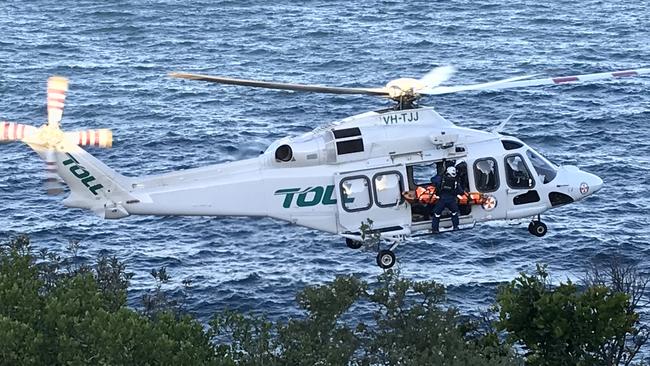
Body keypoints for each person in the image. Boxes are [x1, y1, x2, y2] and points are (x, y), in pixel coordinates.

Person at [430, 166, 465, 232]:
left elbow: (432, 179)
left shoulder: (441, 178)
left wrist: (440, 176)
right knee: (454, 213)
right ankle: (455, 227)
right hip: (451, 200)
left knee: (437, 214)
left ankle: (435, 229)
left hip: (442, 200)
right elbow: (461, 191)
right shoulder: (456, 182)